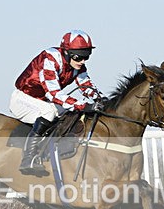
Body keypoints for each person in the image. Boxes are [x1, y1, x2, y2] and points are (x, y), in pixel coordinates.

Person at [10, 29, 103, 176]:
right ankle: (28, 158)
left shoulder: (78, 66)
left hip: (43, 101)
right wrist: (83, 105)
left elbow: (86, 86)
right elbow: (54, 94)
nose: (83, 61)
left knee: (72, 112)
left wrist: (101, 100)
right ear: (66, 52)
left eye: (86, 56)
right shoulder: (50, 59)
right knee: (49, 112)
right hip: (23, 99)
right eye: (79, 57)